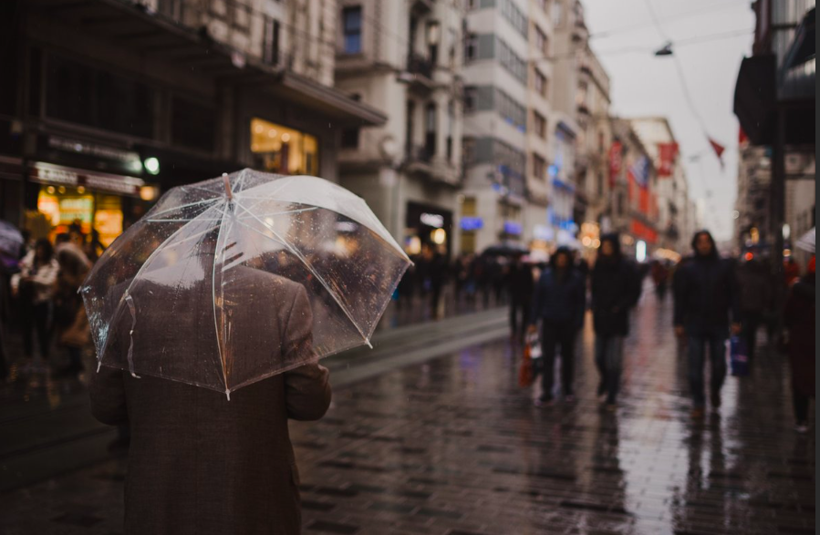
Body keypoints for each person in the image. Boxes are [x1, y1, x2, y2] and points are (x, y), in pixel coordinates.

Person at [89, 260, 332, 534]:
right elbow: (309, 403)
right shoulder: (284, 295)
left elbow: (105, 405)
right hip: (253, 496)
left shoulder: (127, 297)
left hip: (159, 494)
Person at [673, 230, 741, 418]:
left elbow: (734, 293)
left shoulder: (724, 267)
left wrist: (736, 318)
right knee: (695, 367)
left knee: (719, 365)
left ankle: (715, 390)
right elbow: (681, 298)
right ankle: (698, 401)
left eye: (707, 241)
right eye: (700, 242)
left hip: (718, 323)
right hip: (695, 324)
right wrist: (678, 321)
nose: (704, 245)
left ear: (711, 244)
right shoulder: (689, 269)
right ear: (695, 244)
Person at [528, 247, 585, 405]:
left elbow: (581, 302)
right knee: (548, 357)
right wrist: (533, 321)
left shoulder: (575, 277)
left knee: (568, 357)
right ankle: (547, 389)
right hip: (549, 322)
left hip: (568, 323)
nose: (561, 261)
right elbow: (537, 300)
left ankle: (567, 388)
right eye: (559, 258)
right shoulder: (546, 277)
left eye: (564, 258)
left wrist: (578, 322)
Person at [591, 234, 641, 410]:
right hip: (600, 318)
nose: (606, 249)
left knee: (614, 360)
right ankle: (604, 379)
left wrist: (621, 306)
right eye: (604, 246)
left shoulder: (625, 267)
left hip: (617, 319)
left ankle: (612, 394)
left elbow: (634, 290)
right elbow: (594, 288)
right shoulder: (598, 265)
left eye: (609, 246)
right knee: (598, 357)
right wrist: (595, 305)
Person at [11, 238, 59, 366]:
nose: (40, 252)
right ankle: (28, 355)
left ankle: (44, 355)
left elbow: (49, 281)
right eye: (38, 249)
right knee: (26, 328)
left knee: (41, 329)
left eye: (42, 250)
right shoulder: (30, 259)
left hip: (41, 300)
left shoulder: (52, 264)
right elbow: (18, 273)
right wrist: (15, 285)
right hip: (27, 299)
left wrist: (33, 279)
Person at [783, 255, 815, 433]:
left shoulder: (798, 289)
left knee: (800, 380)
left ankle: (802, 420)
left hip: (801, 342)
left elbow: (787, 315)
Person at [735, 256, 773, 363]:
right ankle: (749, 352)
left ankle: (742, 352)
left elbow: (736, 293)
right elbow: (767, 294)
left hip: (743, 308)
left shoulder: (740, 276)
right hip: (756, 309)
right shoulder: (761, 278)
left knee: (744, 331)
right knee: (751, 331)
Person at [508, 255, 534, 342]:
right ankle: (514, 331)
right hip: (515, 294)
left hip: (524, 295)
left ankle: (522, 332)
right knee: (513, 313)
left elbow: (530, 282)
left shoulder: (526, 268)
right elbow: (509, 280)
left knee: (524, 314)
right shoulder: (512, 267)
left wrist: (530, 294)